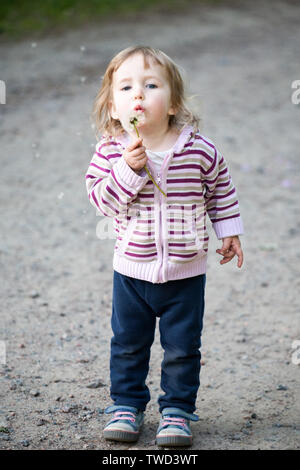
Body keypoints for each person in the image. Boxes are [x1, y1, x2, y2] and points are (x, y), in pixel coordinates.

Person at [85, 45, 244, 447]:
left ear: (173, 104)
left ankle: (176, 411)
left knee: (182, 347)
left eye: (150, 85)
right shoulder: (111, 151)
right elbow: (102, 201)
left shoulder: (200, 151)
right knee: (127, 343)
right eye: (126, 88)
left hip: (185, 273)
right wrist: (128, 169)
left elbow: (221, 192)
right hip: (132, 272)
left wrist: (229, 230)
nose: (137, 95)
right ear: (113, 107)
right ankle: (125, 405)